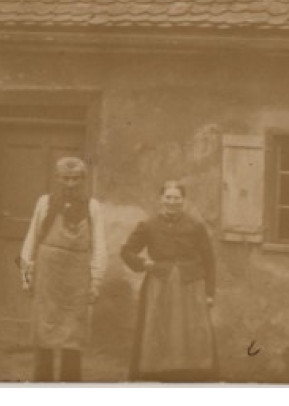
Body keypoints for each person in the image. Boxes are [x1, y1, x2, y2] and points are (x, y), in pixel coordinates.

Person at [120, 180, 218, 381]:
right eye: (168, 197)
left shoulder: (195, 226)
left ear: (184, 201)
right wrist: (143, 263)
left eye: (177, 198)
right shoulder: (148, 225)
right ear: (160, 199)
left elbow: (209, 260)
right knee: (158, 329)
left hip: (191, 285)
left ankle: (189, 375)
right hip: (160, 284)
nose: (172, 202)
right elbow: (127, 251)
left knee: (192, 331)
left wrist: (209, 293)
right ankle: (159, 373)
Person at [20, 155, 106, 382]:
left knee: (73, 335)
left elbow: (99, 246)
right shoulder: (45, 203)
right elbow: (31, 239)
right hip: (48, 274)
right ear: (57, 178)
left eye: (76, 179)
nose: (70, 184)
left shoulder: (93, 207)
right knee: (44, 333)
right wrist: (27, 276)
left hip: (77, 276)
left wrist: (96, 281)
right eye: (66, 178)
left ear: (83, 180)